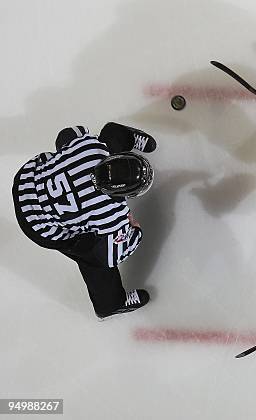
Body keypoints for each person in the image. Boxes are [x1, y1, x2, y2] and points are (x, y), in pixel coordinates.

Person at [12, 122, 157, 319]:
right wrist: (135, 232)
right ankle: (109, 304)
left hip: (26, 181)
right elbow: (111, 256)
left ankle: (126, 137)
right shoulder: (110, 214)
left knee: (107, 135)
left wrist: (68, 159)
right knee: (93, 257)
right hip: (38, 226)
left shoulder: (91, 149)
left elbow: (68, 133)